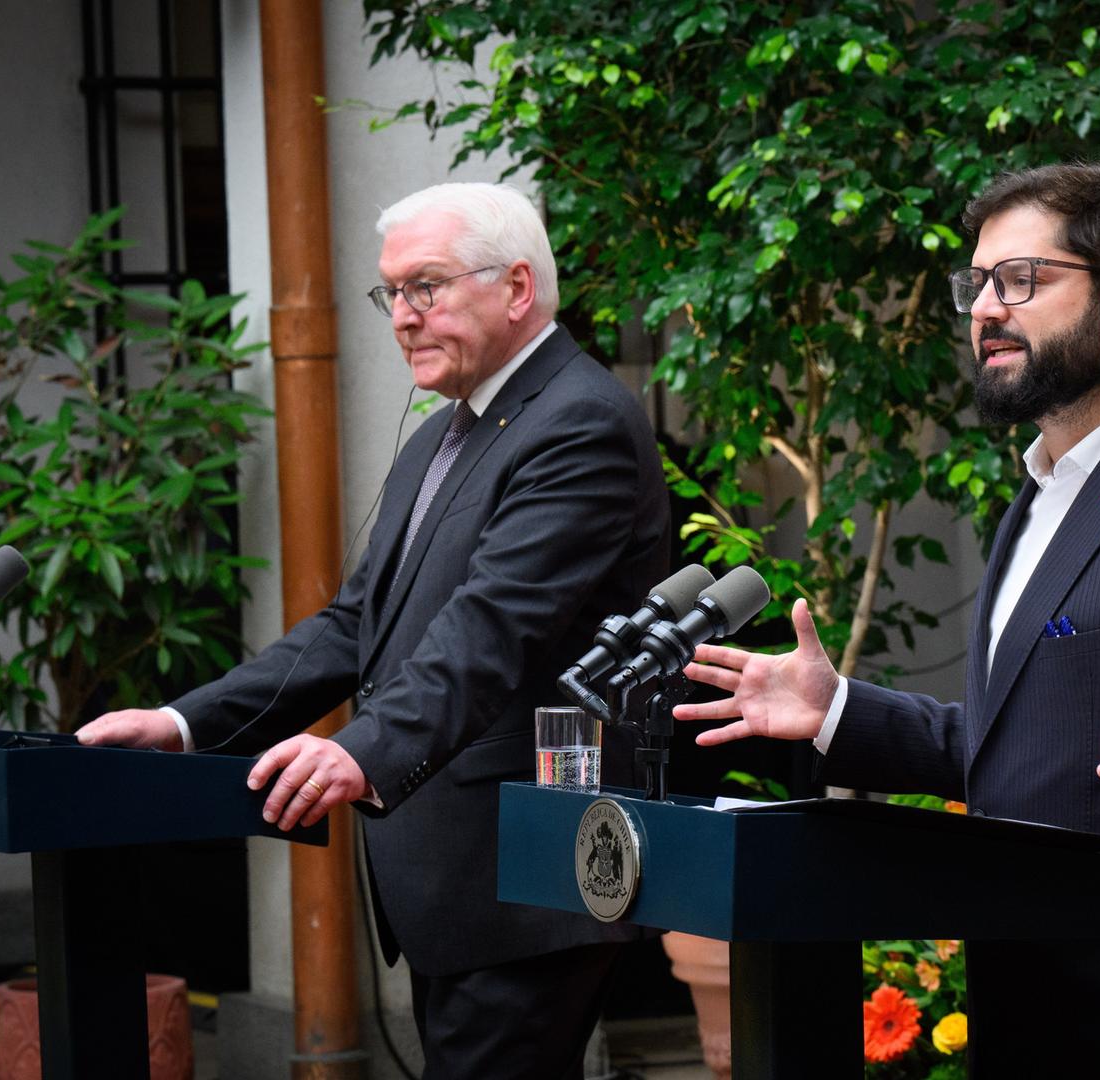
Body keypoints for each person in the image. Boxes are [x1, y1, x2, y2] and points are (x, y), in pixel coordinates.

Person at [674, 162, 1100, 1078]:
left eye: (1022, 280)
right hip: (1035, 1005)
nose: (986, 308)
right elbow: (1022, 748)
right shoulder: (1039, 494)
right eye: (979, 283)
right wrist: (838, 710)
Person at [79, 182, 670, 1079]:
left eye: (425, 287)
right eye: (390, 292)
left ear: (516, 289)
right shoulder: (449, 434)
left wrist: (362, 749)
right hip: (456, 882)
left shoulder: (578, 423)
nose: (401, 316)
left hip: (524, 877)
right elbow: (356, 626)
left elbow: (491, 630)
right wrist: (186, 723)